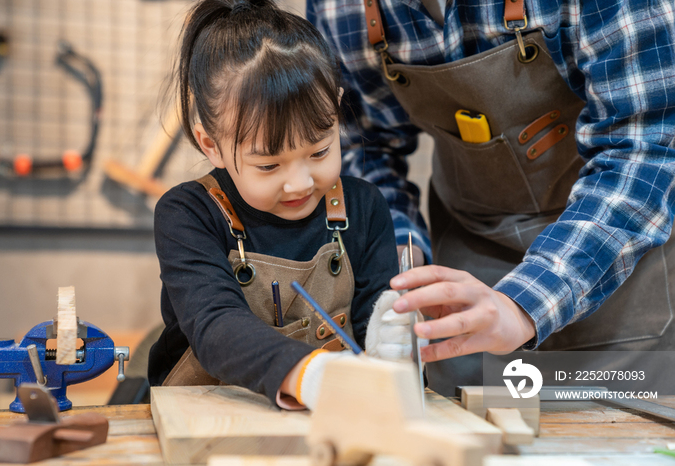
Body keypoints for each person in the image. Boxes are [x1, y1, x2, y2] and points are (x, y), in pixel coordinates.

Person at [306, 0, 675, 393]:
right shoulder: (339, 8)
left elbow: (648, 147)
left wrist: (523, 303)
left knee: (612, 441)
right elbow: (365, 146)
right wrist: (396, 252)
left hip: (617, 266)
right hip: (468, 262)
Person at [147, 0, 409, 409]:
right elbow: (215, 326)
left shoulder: (363, 207)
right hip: (206, 419)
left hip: (329, 423)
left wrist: (393, 340)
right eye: (269, 164)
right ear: (210, 145)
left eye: (320, 152)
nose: (300, 182)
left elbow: (376, 323)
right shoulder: (187, 214)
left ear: (337, 111)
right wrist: (312, 374)